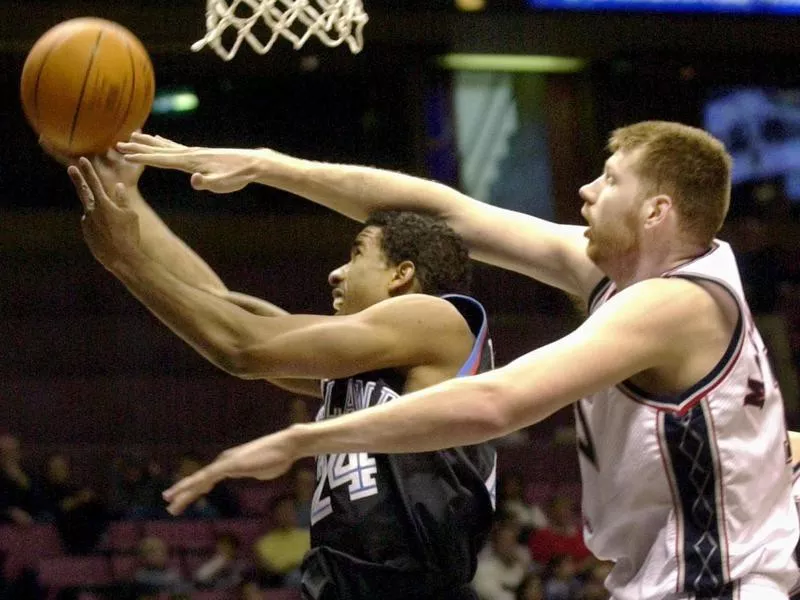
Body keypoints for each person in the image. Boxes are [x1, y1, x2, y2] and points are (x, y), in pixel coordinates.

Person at [124, 121, 800, 600]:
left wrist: (304, 439)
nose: (587, 192)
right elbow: (440, 211)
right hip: (672, 575)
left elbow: (495, 402)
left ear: (656, 212)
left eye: (609, 179)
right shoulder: (625, 279)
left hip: (718, 583)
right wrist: (267, 165)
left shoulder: (673, 306)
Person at [59, 153, 497, 599]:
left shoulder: (439, 320)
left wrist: (126, 261)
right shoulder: (363, 360)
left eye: (356, 253)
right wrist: (129, 198)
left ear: (402, 275)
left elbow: (243, 346)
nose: (336, 272)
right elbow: (224, 307)